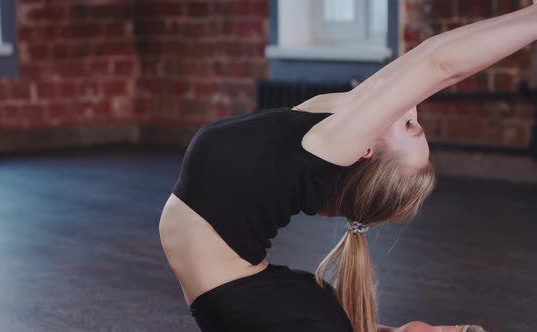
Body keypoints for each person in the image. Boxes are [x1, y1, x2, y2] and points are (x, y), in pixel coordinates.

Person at [158, 3, 537, 331]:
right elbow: (429, 53)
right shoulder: (323, 124)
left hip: (256, 308)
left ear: (366, 148)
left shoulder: (330, 145)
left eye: (409, 127)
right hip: (259, 299)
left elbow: (441, 66)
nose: (414, 110)